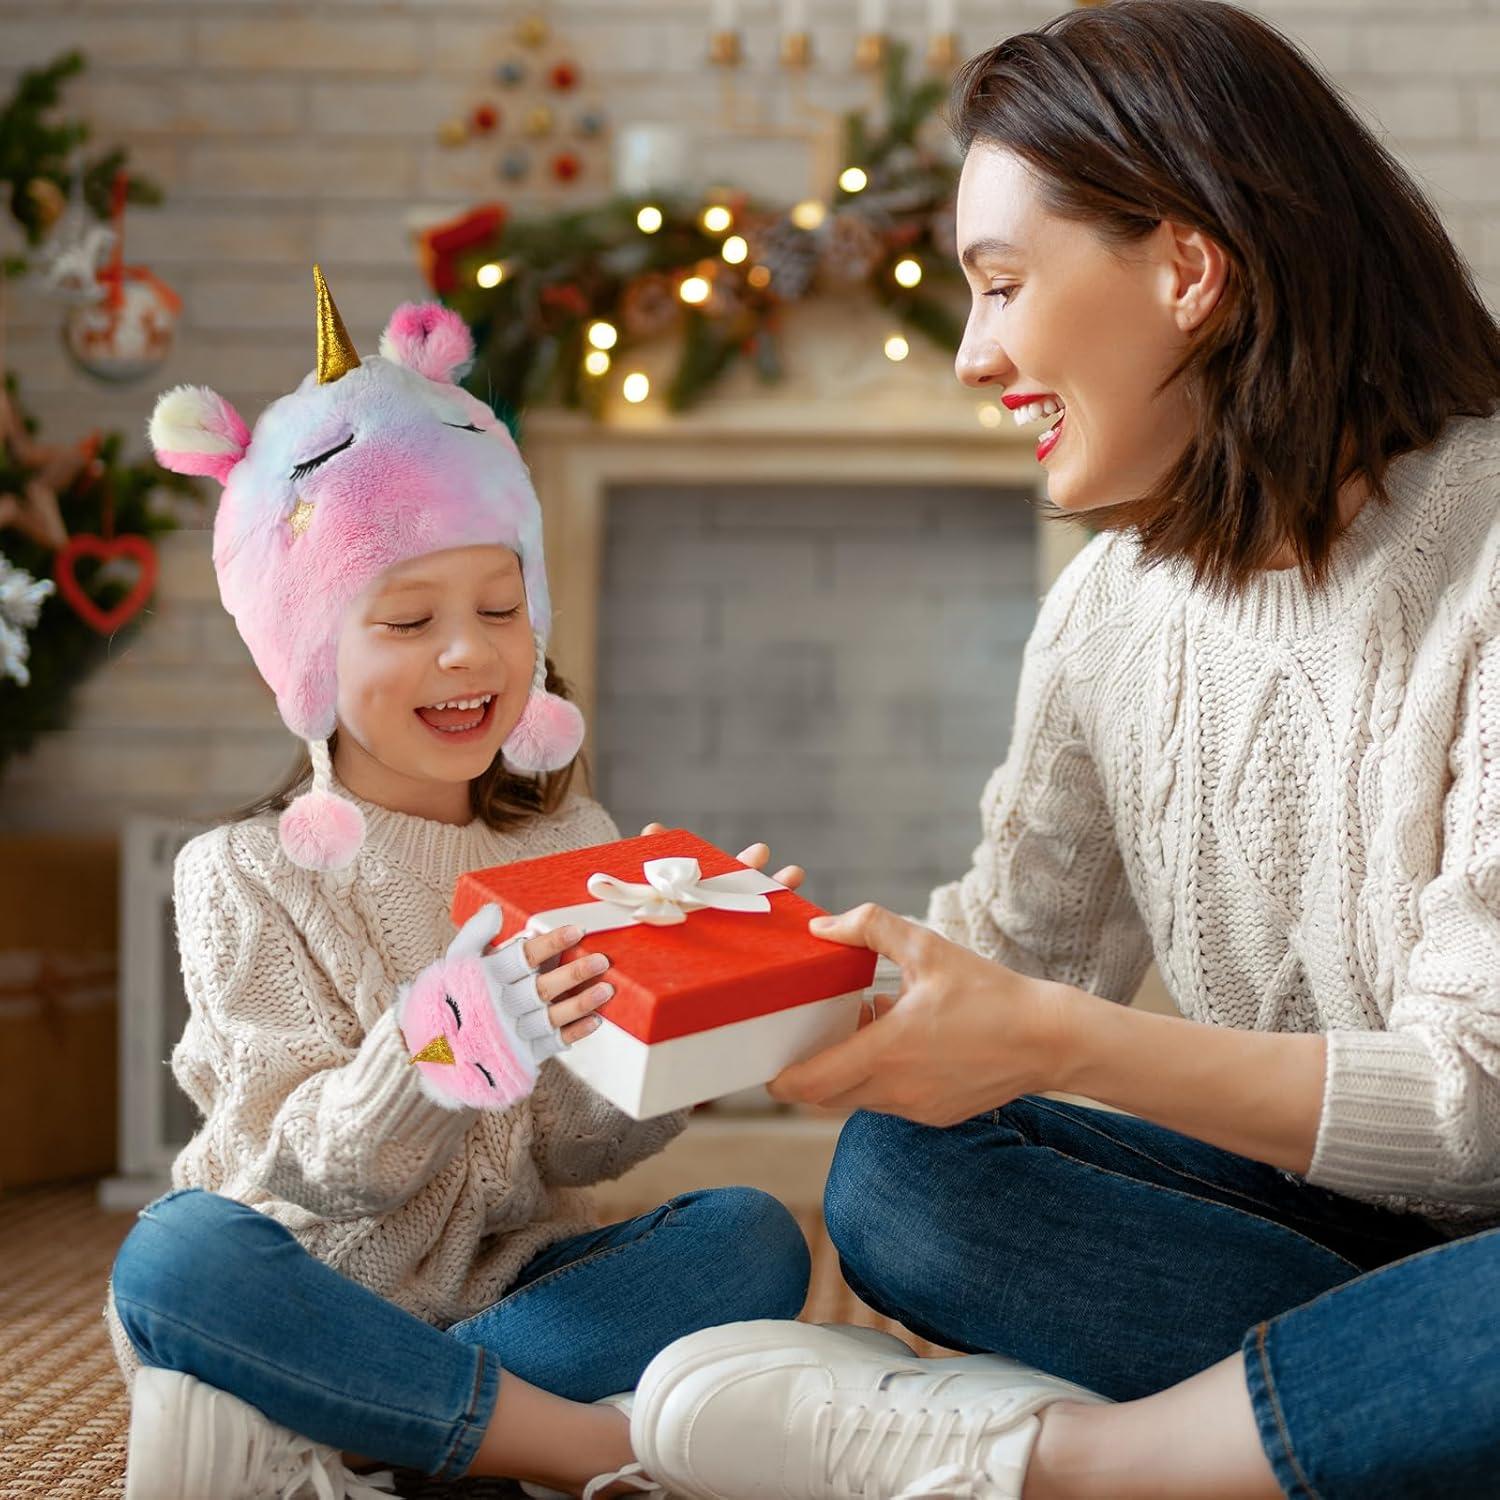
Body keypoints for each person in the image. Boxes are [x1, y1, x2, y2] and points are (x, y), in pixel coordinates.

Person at [619, 4, 1500, 1498]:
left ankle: (1074, 1459)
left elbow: (1474, 1113)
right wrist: (739, 991)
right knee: (906, 1174)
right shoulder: (1111, 612)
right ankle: (1355, 1418)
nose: (975, 356)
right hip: (1335, 1248)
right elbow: (1000, 974)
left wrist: (1060, 1038)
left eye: (1002, 285)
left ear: (1188, 268)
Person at [104, 274, 811, 1499]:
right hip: (304, 1281)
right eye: (408, 618)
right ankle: (577, 1448)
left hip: (502, 1292)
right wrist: (445, 1040)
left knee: (746, 1234)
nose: (467, 651)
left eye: (499, 606)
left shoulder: (569, 837)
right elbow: (306, 1169)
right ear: (309, 658)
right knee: (171, 1264)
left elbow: (584, 1150)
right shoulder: (242, 873)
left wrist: (694, 1010)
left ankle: (369, 1427)